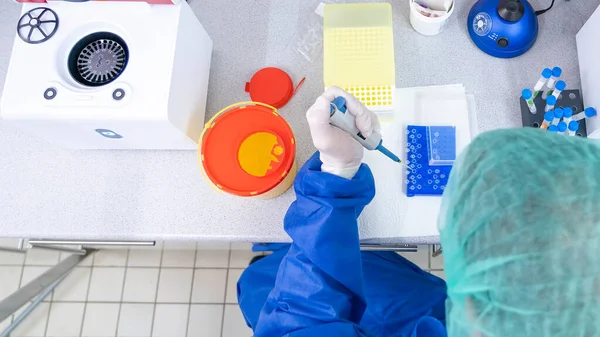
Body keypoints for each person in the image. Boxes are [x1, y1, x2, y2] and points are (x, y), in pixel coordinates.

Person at [237, 87, 600, 336]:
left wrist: (336, 174)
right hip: (418, 301)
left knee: (259, 282)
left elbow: (300, 321)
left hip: (390, 307)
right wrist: (339, 169)